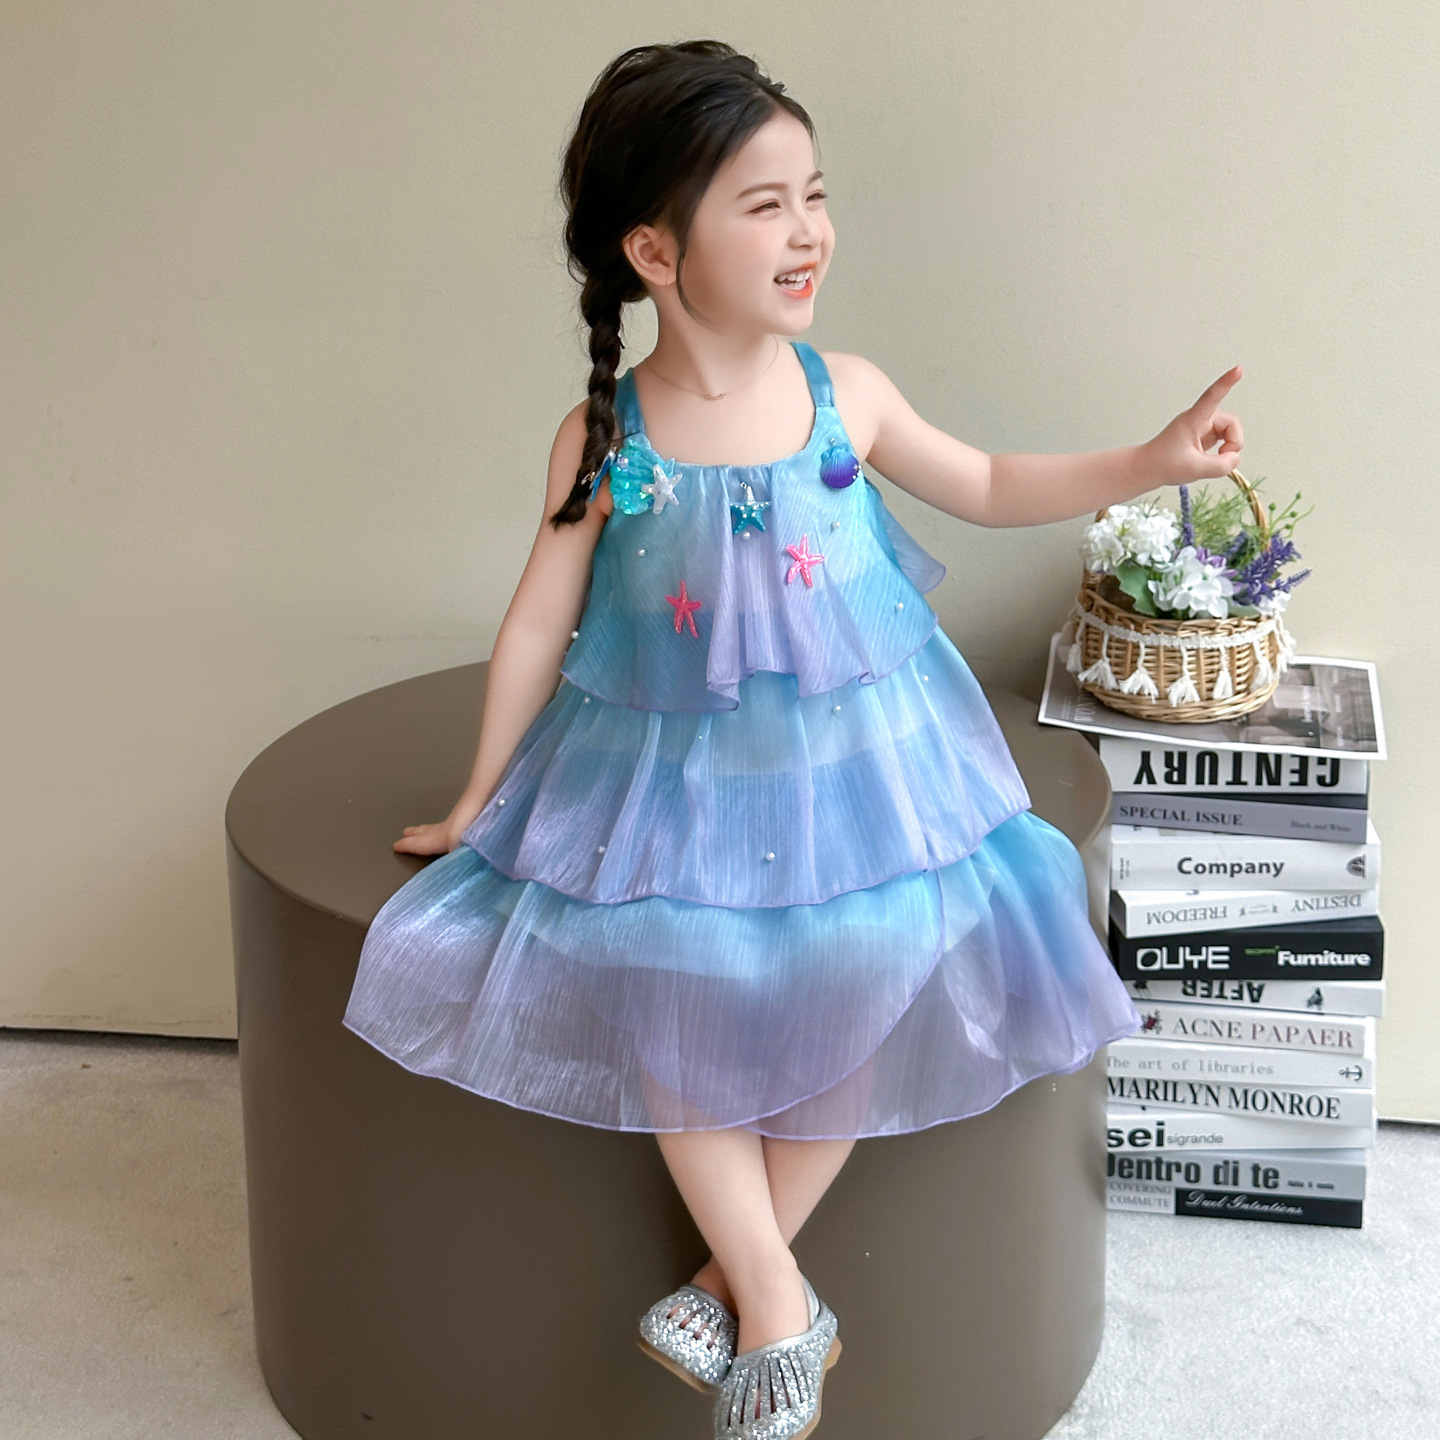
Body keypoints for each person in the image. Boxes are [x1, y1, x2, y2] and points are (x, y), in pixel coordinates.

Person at [342, 39, 1245, 1440]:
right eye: (763, 205)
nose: (808, 230)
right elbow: (536, 622)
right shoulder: (606, 434)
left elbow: (990, 480)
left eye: (813, 195)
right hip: (671, 785)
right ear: (655, 251)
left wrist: (1151, 460)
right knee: (667, 980)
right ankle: (778, 1300)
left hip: (862, 775)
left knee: (870, 965)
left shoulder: (847, 394)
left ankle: (733, 1286)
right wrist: (477, 798)